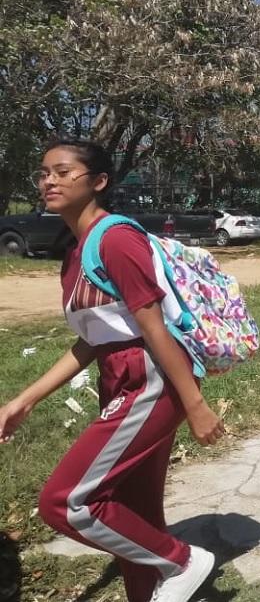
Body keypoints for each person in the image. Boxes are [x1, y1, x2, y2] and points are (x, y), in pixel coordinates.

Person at [0, 139, 223, 602]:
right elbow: (92, 342)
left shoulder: (117, 239)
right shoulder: (76, 251)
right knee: (132, 509)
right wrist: (24, 399)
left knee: (65, 502)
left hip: (152, 378)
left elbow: (154, 327)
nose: (50, 182)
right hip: (119, 375)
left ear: (99, 182)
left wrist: (195, 404)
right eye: (43, 174)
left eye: (63, 172)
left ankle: (182, 561)